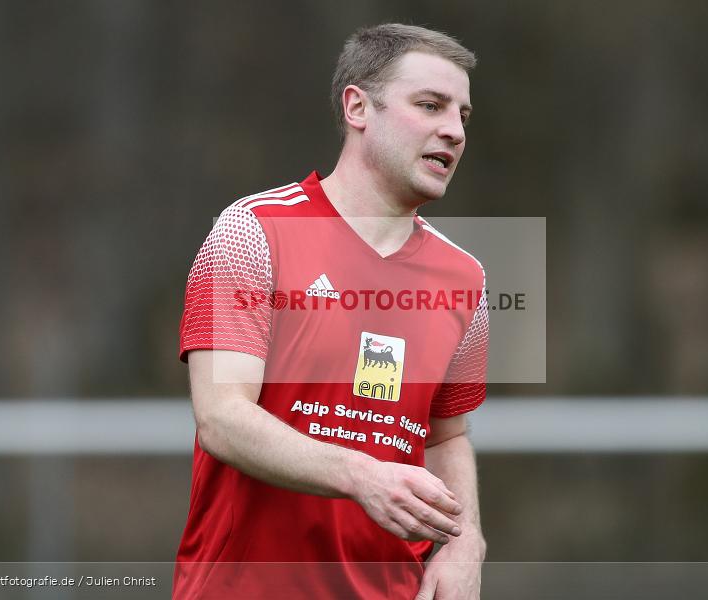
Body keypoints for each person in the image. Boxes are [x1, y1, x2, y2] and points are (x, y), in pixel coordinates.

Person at [173, 23, 488, 600]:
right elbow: (221, 417)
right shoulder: (253, 232)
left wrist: (465, 539)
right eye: (430, 105)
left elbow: (446, 438)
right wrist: (363, 476)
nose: (454, 130)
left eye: (463, 116)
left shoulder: (465, 278)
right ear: (358, 108)